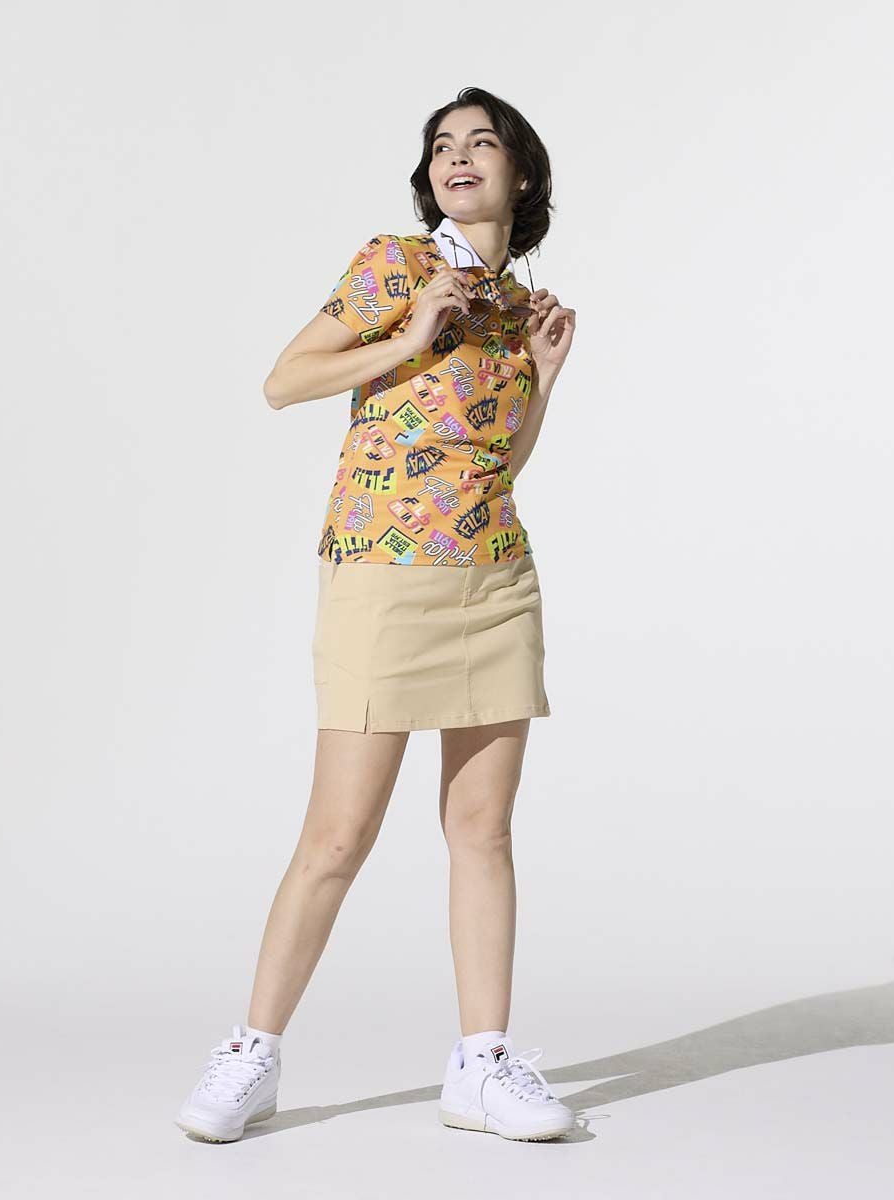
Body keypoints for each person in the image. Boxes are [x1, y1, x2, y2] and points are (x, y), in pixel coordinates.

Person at [175, 86, 577, 1144]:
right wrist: (412, 334)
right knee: (337, 834)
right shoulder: (395, 267)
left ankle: (482, 1065)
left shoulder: (516, 309)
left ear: (521, 174)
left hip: (493, 575)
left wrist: (541, 380)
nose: (458, 157)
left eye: (481, 143)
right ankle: (252, 1053)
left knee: (482, 829)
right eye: (442, 146)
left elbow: (497, 465)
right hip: (382, 570)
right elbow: (283, 382)